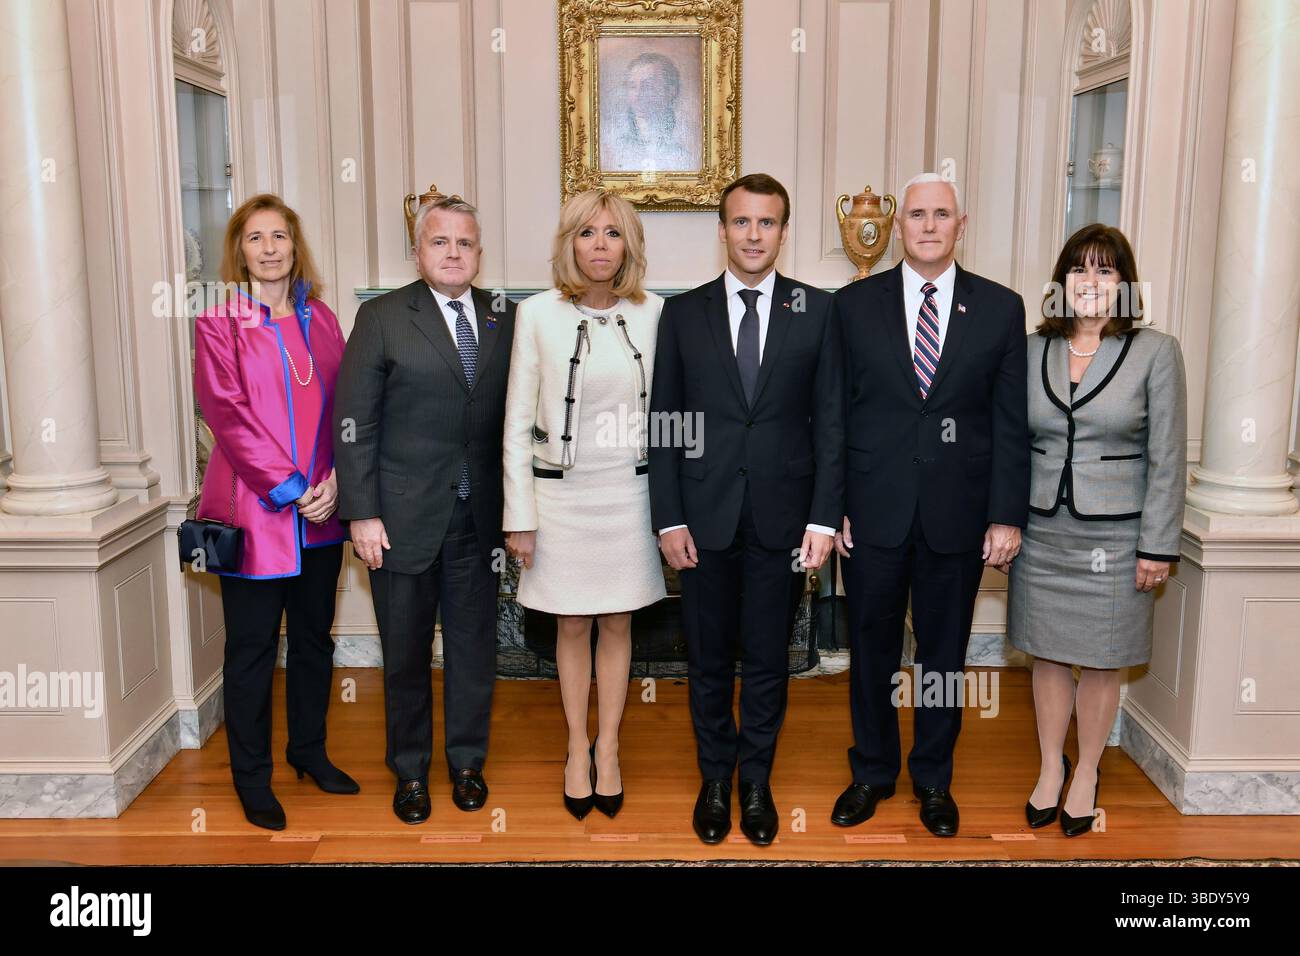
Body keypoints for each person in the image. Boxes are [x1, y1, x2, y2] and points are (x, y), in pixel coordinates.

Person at [832, 173, 1029, 838]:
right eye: (916, 213)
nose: (927, 225)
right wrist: (833, 510)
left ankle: (934, 779)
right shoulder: (853, 306)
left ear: (961, 223)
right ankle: (871, 772)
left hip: (959, 515)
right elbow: (834, 416)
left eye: (940, 214)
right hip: (873, 512)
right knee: (871, 649)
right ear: (898, 223)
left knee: (942, 656)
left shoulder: (1000, 309)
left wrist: (1006, 515)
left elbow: (1009, 422)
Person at [649, 173, 844, 846]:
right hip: (702, 521)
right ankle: (714, 778)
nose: (753, 235)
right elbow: (666, 422)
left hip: (784, 521)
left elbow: (831, 425)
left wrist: (822, 519)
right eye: (741, 222)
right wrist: (669, 518)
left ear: (783, 232)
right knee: (706, 659)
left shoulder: (818, 312)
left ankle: (755, 781)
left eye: (766, 223)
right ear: (723, 230)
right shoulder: (684, 314)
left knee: (767, 658)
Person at [333, 196, 516, 824]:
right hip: (400, 521)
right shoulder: (381, 317)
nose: (454, 253)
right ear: (419, 250)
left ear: (479, 251)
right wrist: (361, 512)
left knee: (473, 650)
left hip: (479, 520)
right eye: (440, 242)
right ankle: (409, 773)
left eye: (465, 243)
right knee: (406, 654)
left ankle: (467, 763)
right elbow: (355, 421)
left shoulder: (503, 315)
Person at [1009, 223, 1186, 837]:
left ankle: (1086, 772)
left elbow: (1166, 456)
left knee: (1104, 658)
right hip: (1041, 530)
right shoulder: (1031, 350)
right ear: (1061, 282)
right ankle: (1050, 769)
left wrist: (1157, 544)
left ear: (1125, 284)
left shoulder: (1156, 352)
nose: (1091, 281)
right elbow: (1009, 443)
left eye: (1106, 270)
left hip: (1116, 538)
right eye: (1079, 269)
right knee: (1048, 654)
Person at [193, 193, 354, 832]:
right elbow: (226, 416)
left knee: (315, 641)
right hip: (256, 516)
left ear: (294, 245)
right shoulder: (219, 323)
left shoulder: (326, 321)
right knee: (253, 650)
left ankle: (309, 751)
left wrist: (338, 480)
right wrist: (291, 487)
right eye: (255, 237)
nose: (268, 248)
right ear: (241, 250)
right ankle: (251, 779)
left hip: (324, 514)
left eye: (279, 236)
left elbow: (348, 407)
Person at [502, 188, 665, 820]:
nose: (600, 246)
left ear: (629, 245)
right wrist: (521, 515)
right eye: (587, 233)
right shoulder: (537, 315)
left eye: (613, 233)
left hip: (631, 496)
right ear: (569, 243)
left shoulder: (654, 314)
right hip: (560, 501)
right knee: (571, 623)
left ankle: (612, 747)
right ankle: (576, 748)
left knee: (619, 622)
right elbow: (518, 421)